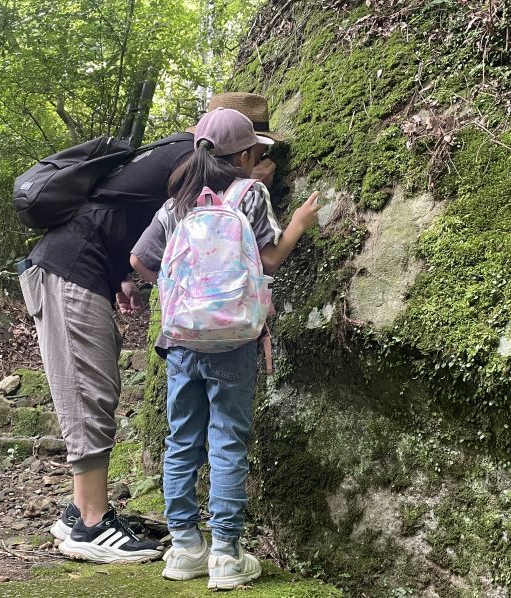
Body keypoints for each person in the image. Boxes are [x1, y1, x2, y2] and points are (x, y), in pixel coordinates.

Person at [17, 93, 282, 564]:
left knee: (100, 388)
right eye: (259, 150)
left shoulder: (177, 156)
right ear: (242, 149)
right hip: (70, 269)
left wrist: (125, 275)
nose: (261, 159)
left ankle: (79, 512)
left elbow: (141, 228)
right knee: (89, 390)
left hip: (82, 267)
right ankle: (92, 525)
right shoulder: (194, 162)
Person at [129, 107, 320, 588]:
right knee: (228, 440)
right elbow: (270, 260)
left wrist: (179, 295)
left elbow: (140, 258)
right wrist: (298, 221)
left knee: (182, 441)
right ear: (246, 153)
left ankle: (185, 548)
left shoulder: (177, 202)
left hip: (181, 339)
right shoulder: (251, 193)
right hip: (234, 340)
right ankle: (227, 556)